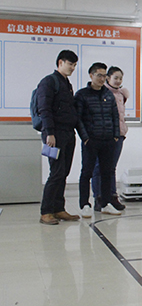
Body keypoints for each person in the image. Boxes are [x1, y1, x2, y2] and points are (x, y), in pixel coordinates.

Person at [37, 49, 81, 225]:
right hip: (53, 136)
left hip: (68, 134)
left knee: (64, 172)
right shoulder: (49, 82)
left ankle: (58, 209)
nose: (73, 68)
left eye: (75, 65)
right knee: (56, 172)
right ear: (60, 62)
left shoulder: (67, 84)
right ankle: (46, 212)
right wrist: (50, 133)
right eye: (70, 64)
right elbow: (44, 109)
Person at [75, 62, 121, 217]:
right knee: (86, 172)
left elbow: (115, 116)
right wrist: (85, 138)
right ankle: (84, 204)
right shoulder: (82, 95)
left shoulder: (108, 94)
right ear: (91, 75)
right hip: (91, 140)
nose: (102, 79)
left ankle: (106, 203)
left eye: (104, 75)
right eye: (99, 75)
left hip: (108, 140)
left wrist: (115, 136)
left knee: (107, 172)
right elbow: (78, 119)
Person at [91, 66, 128, 212]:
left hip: (119, 134)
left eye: (120, 78)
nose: (118, 81)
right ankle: (98, 198)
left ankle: (112, 197)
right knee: (98, 167)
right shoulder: (104, 93)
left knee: (111, 167)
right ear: (108, 78)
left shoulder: (121, 94)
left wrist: (121, 133)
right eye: (115, 78)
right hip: (105, 135)